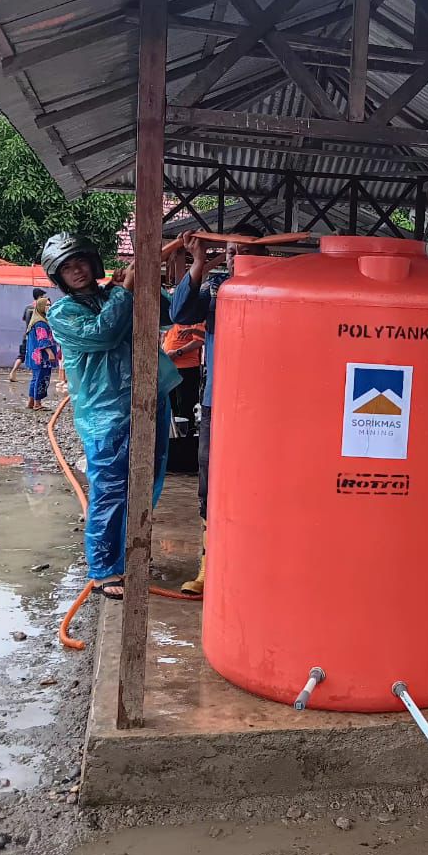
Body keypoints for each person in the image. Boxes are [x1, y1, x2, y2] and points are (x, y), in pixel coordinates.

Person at [42, 232, 179, 600]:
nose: (77, 272)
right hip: (106, 414)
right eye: (67, 268)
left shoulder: (116, 293)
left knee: (146, 482)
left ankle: (128, 553)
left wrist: (148, 278)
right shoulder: (63, 312)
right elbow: (102, 333)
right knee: (109, 490)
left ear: (93, 262)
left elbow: (170, 311)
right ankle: (104, 570)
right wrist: (126, 289)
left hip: (148, 399)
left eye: (80, 262)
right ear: (59, 278)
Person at [170, 225, 269, 595]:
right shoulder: (217, 288)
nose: (232, 257)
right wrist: (198, 263)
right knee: (211, 486)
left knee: (259, 485)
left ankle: (253, 565)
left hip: (266, 409)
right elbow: (180, 312)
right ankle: (208, 567)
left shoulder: (279, 289)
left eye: (240, 250)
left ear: (263, 254)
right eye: (228, 251)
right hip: (218, 403)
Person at [161, 320, 205, 427]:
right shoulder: (173, 317)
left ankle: (186, 438)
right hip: (170, 368)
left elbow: (200, 340)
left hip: (187, 368)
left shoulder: (193, 314)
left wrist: (178, 352)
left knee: (185, 407)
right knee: (171, 406)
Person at [24, 296, 60, 411]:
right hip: (42, 357)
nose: (49, 307)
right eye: (46, 305)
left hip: (35, 357)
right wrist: (50, 353)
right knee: (41, 378)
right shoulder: (41, 323)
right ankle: (37, 403)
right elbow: (43, 340)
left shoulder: (35, 321)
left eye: (49, 305)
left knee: (35, 378)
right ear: (40, 307)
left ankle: (31, 402)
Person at [10, 288, 49, 382]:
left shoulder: (28, 307)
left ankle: (13, 372)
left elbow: (24, 319)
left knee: (22, 355)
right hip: (37, 336)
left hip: (27, 334)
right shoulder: (40, 308)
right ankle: (36, 376)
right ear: (39, 296)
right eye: (42, 296)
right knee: (38, 356)